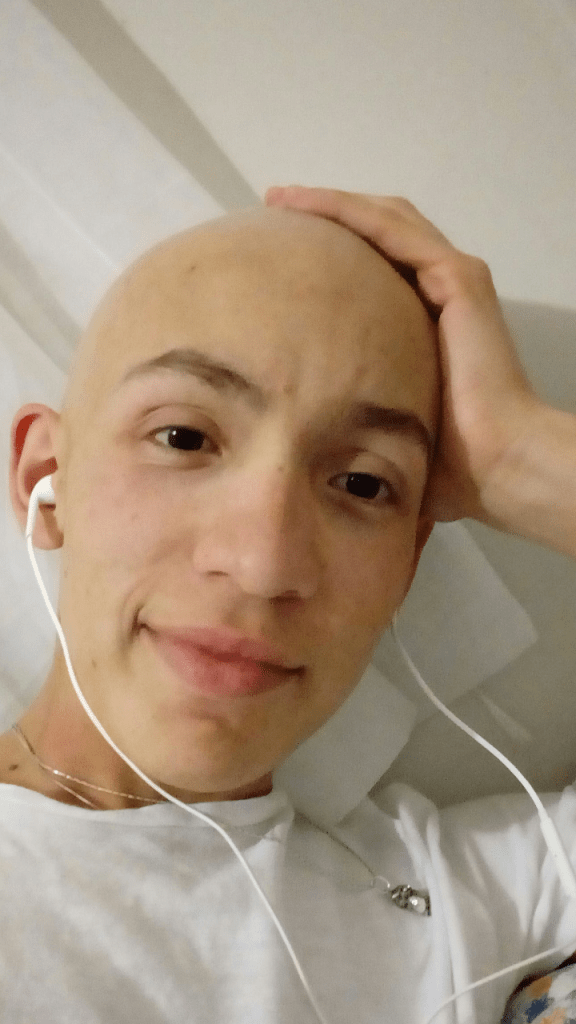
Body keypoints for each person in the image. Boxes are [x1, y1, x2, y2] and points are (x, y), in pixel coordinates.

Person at [0, 185, 574, 1023]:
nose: (264, 564)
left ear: (409, 562)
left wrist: (521, 459)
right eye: (184, 437)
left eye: (363, 484)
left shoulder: (469, 900)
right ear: (44, 480)